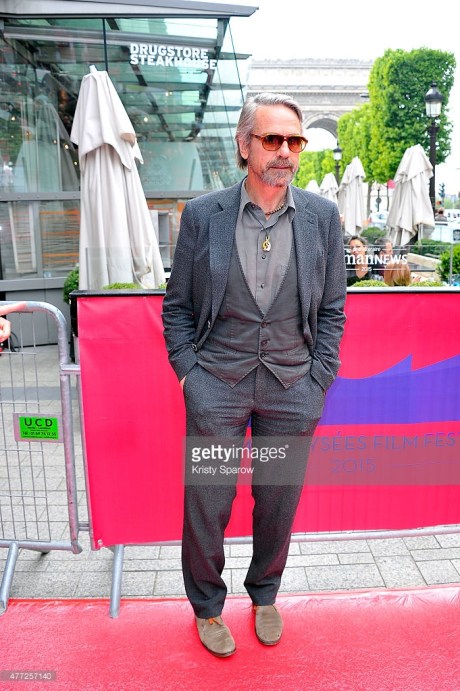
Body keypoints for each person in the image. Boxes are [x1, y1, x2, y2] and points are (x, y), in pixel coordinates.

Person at [162, 92, 347, 658]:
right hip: (217, 385)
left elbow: (333, 309)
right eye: (272, 139)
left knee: (277, 501)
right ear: (245, 145)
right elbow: (177, 307)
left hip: (292, 388)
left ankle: (265, 594)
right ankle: (207, 606)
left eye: (295, 141)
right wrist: (190, 376)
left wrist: (319, 379)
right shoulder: (204, 216)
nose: (285, 151)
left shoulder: (322, 217)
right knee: (208, 501)